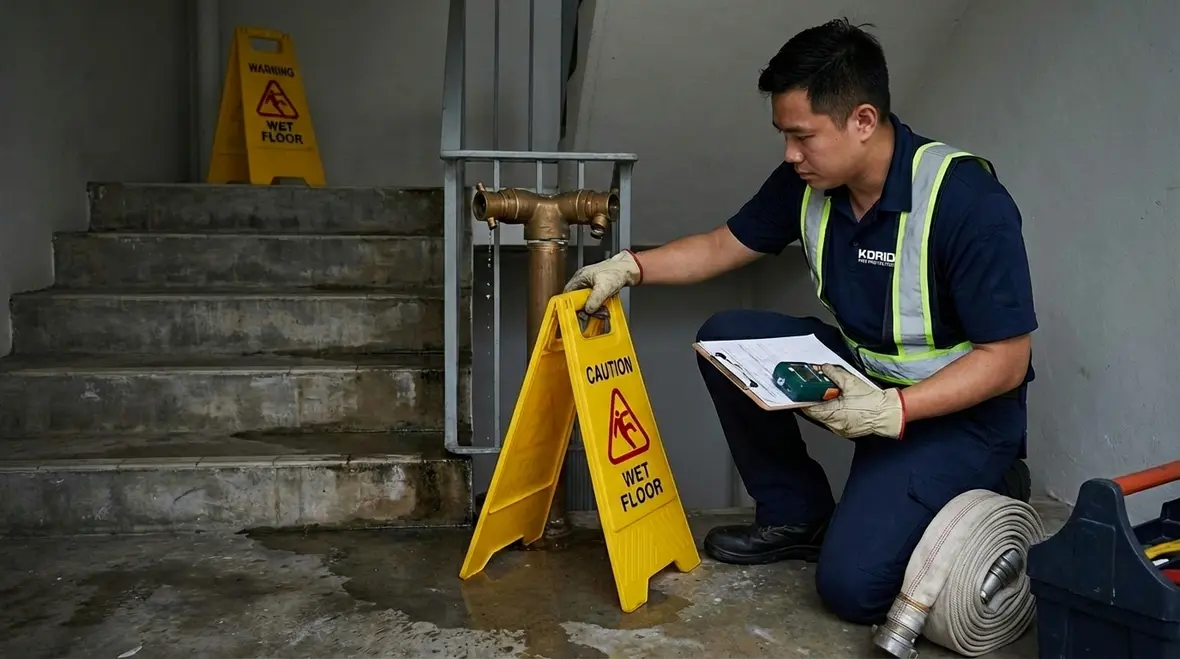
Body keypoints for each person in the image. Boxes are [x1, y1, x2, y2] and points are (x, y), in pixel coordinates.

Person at [562, 18, 1037, 624]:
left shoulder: (966, 202)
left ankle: (996, 481)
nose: (790, 154)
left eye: (802, 136)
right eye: (784, 135)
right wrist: (628, 267)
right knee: (724, 339)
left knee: (852, 591)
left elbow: (1007, 360)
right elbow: (719, 247)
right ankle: (797, 514)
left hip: (958, 415)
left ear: (863, 121)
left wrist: (895, 411)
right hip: (866, 375)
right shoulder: (810, 182)